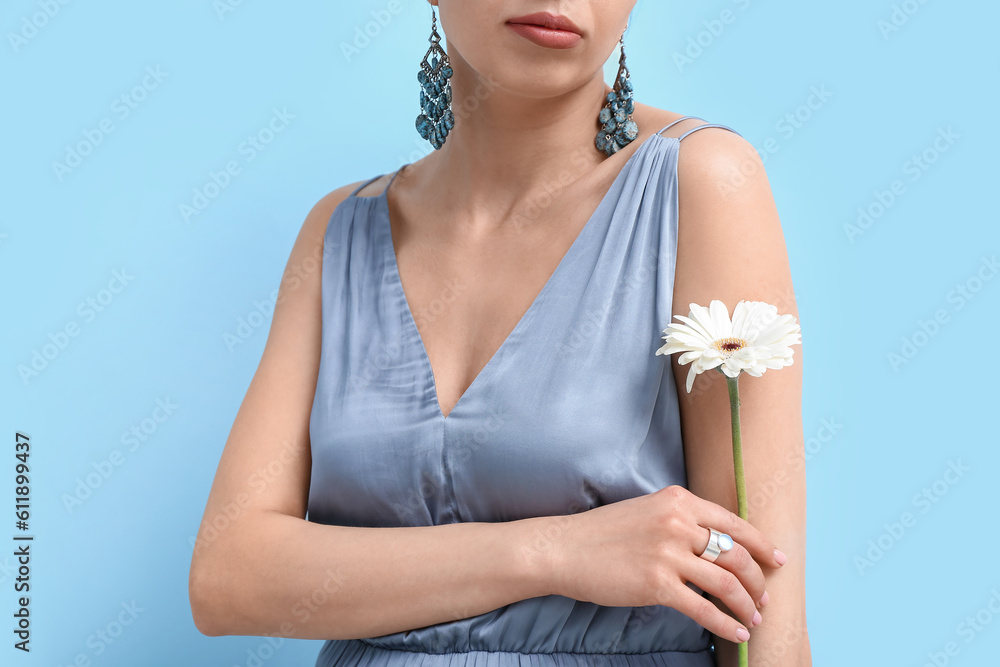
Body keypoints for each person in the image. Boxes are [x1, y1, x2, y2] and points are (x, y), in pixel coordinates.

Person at [188, 2, 811, 666]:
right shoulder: (341, 231)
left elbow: (766, 615)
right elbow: (229, 577)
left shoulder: (701, 183)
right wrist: (551, 551)